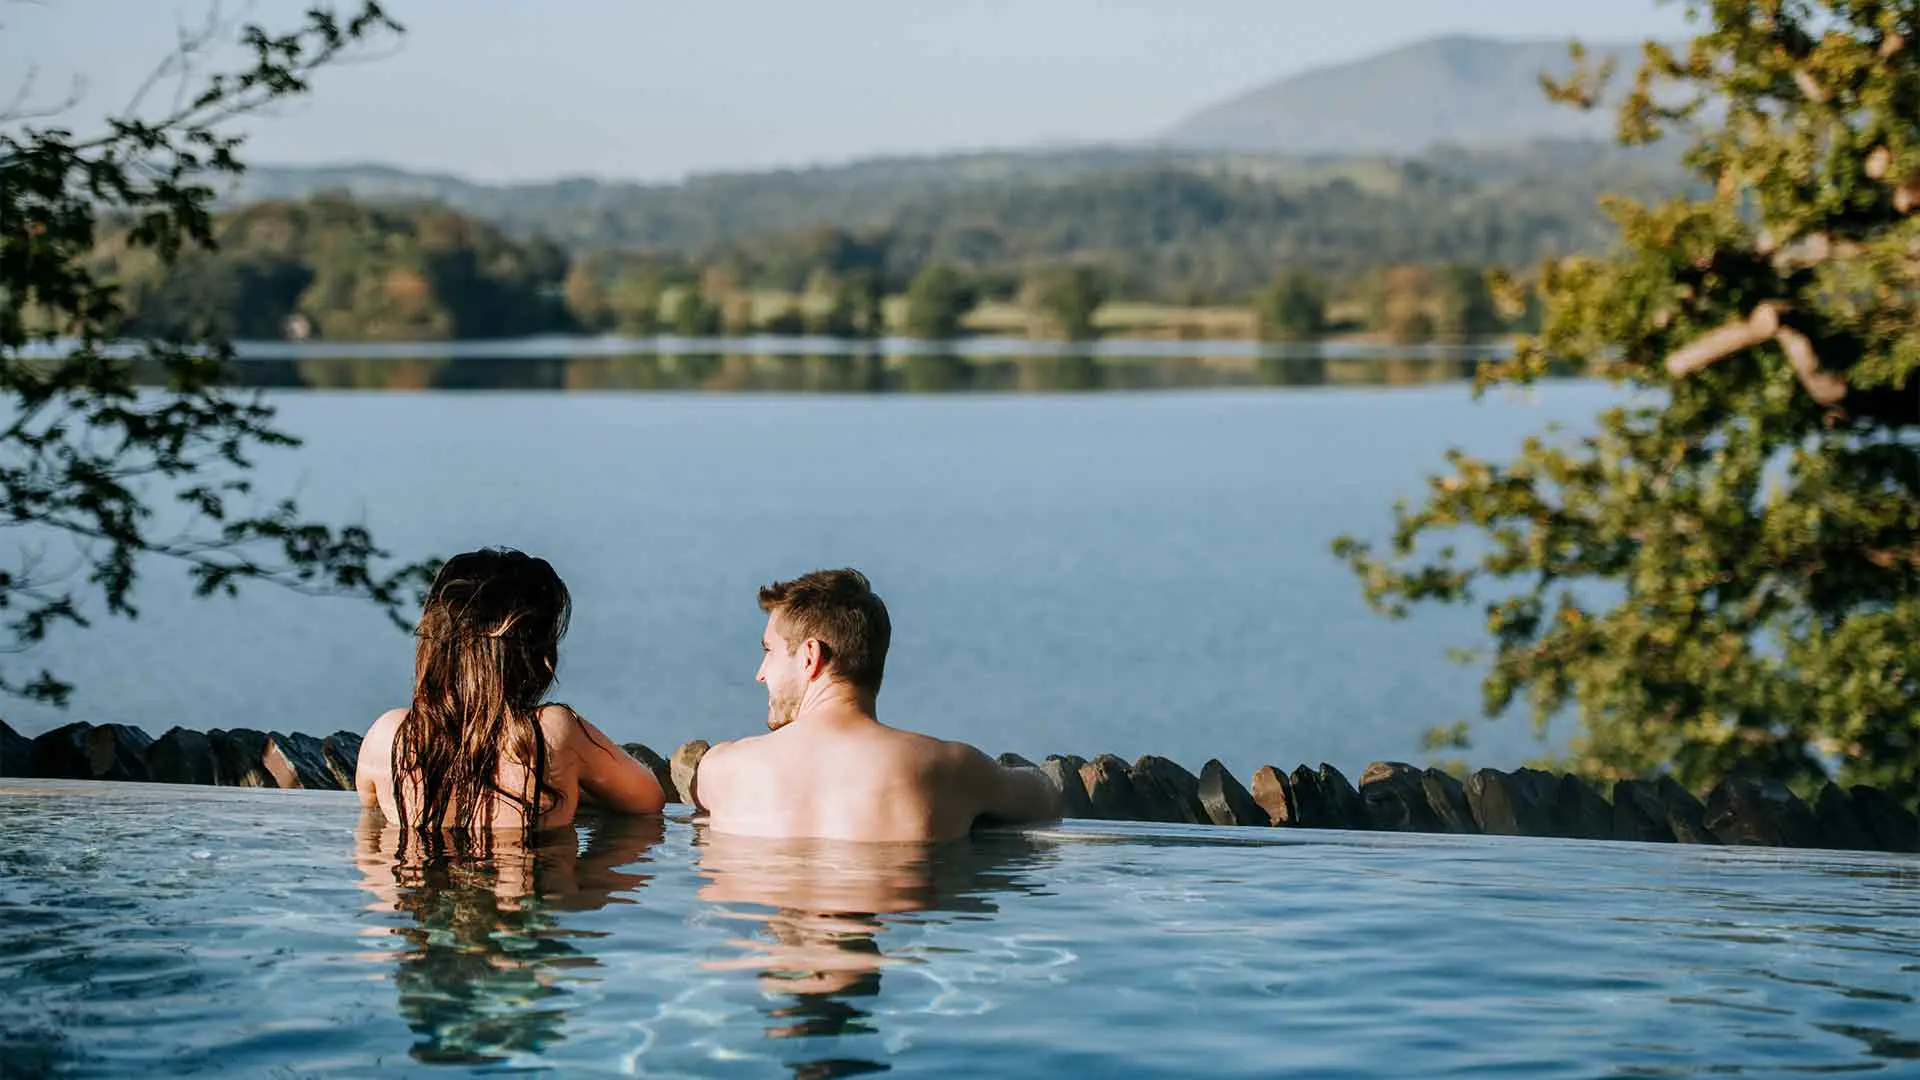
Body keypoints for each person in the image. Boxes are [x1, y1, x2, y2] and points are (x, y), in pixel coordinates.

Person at [694, 568, 1059, 842]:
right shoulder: (944, 769)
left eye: (768, 652)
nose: (760, 674)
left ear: (810, 657)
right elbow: (1044, 797)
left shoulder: (723, 770)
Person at [357, 548, 665, 851]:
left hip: (419, 891)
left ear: (433, 649)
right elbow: (648, 800)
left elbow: (370, 810)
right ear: (540, 658)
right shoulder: (551, 732)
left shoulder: (390, 735)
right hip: (530, 894)